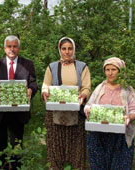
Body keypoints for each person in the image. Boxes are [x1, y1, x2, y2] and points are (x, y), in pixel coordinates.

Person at [0, 35, 38, 169]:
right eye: (9, 46)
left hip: (18, 113)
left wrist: (31, 90)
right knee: (0, 149)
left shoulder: (27, 64)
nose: (12, 49)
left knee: (17, 149)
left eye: (15, 46)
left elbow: (33, 83)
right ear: (4, 48)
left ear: (19, 48)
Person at [41, 37, 91, 170]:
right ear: (59, 50)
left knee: (77, 146)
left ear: (74, 49)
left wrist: (84, 94)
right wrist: (45, 92)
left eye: (70, 48)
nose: (67, 52)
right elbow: (46, 85)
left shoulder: (82, 66)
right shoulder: (52, 67)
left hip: (76, 113)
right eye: (64, 49)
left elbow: (86, 86)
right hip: (56, 113)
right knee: (56, 146)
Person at [84, 57, 135, 170]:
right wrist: (88, 109)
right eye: (107, 70)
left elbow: (134, 110)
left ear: (120, 71)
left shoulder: (127, 90)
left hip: (120, 137)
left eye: (113, 69)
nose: (110, 73)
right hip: (99, 135)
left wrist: (129, 117)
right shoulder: (100, 88)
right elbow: (89, 104)